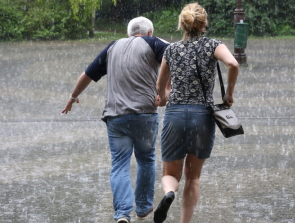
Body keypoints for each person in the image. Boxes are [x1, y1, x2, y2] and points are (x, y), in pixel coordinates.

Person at [61, 17, 169, 223]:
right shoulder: (154, 43)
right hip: (145, 114)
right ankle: (144, 207)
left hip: (116, 116)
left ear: (128, 33)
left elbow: (88, 74)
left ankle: (122, 213)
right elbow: (174, 56)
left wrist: (73, 97)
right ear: (149, 32)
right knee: (146, 159)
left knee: (119, 164)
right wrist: (166, 90)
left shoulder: (112, 47)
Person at [153, 3, 239, 223]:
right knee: (193, 177)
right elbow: (233, 63)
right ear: (204, 23)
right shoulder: (213, 45)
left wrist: (163, 98)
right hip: (203, 116)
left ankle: (169, 193)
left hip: (175, 115)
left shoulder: (171, 50)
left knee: (170, 175)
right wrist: (228, 94)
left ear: (182, 24)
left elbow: (160, 85)